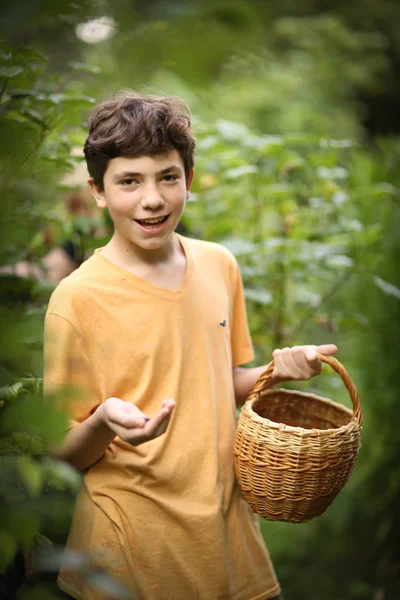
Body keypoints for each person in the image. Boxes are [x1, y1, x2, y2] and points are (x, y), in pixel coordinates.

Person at [43, 91, 338, 600]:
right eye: (129, 181)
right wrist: (102, 421)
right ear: (97, 191)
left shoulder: (219, 264)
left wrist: (279, 369)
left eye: (167, 177)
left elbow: (221, 384)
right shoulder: (77, 298)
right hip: (131, 551)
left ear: (189, 181)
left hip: (226, 535)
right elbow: (61, 454)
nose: (152, 198)